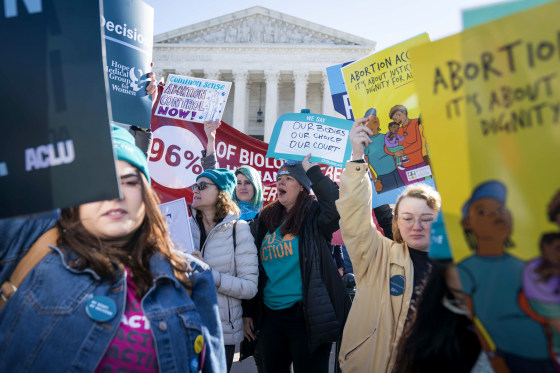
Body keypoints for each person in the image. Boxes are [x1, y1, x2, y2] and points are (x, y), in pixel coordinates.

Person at [0, 125, 226, 372]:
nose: (116, 194)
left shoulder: (191, 276)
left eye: (129, 182)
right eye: (99, 182)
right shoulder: (32, 239)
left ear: (146, 197)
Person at [336, 117, 441, 372]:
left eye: (426, 218)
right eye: (407, 218)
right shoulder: (377, 255)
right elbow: (353, 216)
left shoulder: (456, 268)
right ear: (396, 222)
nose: (416, 225)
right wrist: (358, 157)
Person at [247, 155, 351, 373]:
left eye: (288, 178)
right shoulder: (266, 220)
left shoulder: (314, 216)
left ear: (303, 187)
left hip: (307, 317)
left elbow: (337, 205)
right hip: (270, 318)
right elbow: (252, 267)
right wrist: (249, 311)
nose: (280, 182)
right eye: (279, 178)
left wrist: (312, 171)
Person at [458, 180, 556, 372]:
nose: (496, 214)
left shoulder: (525, 266)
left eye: (501, 208)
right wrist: (494, 357)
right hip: (510, 358)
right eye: (483, 211)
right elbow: (470, 321)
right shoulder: (465, 270)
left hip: (547, 355)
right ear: (467, 223)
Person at [189, 167, 259, 372]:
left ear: (221, 192)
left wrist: (208, 275)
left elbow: (249, 288)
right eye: (195, 185)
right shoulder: (182, 225)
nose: (195, 190)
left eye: (202, 186)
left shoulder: (239, 229)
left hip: (221, 333)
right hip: (186, 325)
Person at [362, 108, 405, 192]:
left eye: (375, 117)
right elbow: (365, 164)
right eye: (370, 118)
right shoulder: (365, 143)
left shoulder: (386, 137)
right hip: (383, 179)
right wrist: (374, 180)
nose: (374, 118)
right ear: (364, 125)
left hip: (398, 173)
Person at [385, 105, 428, 176]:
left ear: (404, 112)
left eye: (398, 115)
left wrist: (403, 152)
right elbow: (386, 147)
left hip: (419, 164)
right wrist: (394, 153)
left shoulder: (417, 123)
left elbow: (419, 143)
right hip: (403, 168)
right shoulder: (397, 130)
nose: (397, 120)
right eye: (394, 119)